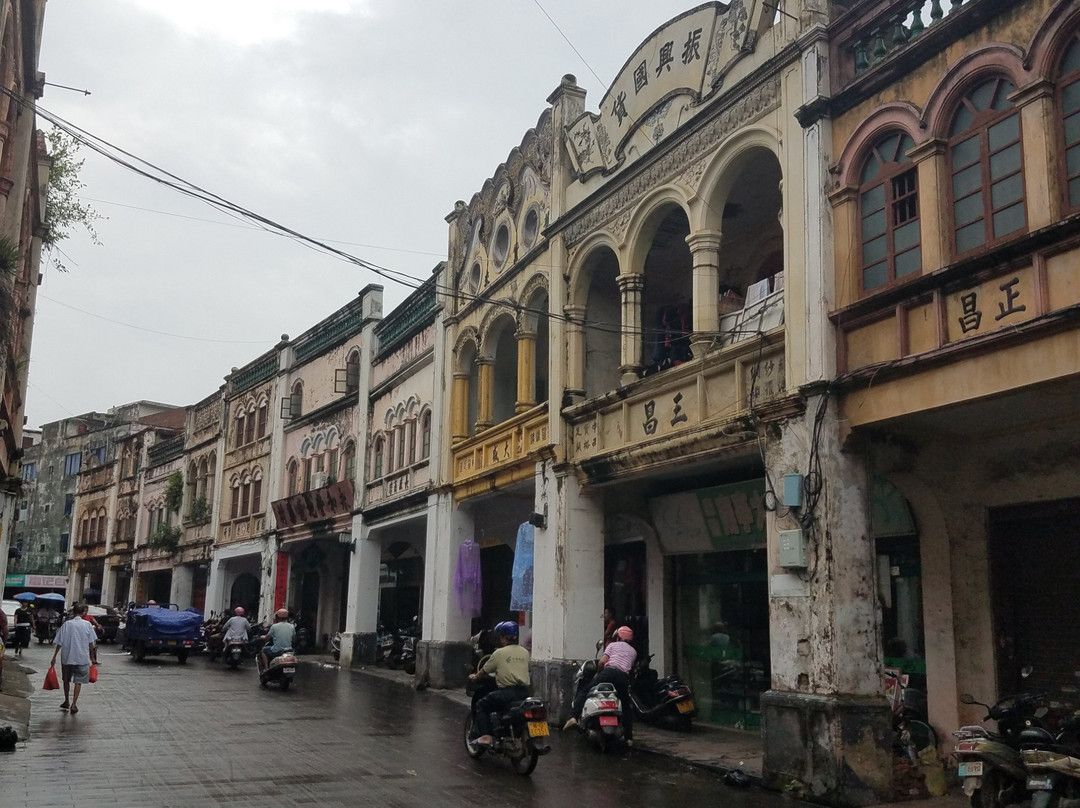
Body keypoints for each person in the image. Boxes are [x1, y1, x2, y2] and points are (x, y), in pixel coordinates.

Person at [564, 625, 637, 742]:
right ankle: (629, 738)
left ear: (618, 636)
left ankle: (573, 717)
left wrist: (598, 674)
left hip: (609, 672)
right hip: (623, 677)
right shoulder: (633, 651)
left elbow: (602, 662)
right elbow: (630, 668)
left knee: (586, 691)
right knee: (626, 704)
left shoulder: (612, 645)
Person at [467, 620, 531, 747]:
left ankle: (485, 736)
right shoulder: (525, 652)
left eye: (500, 636)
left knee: (481, 705)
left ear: (503, 637)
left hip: (507, 693)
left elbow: (484, 671)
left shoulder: (499, 653)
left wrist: (475, 677)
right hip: (524, 692)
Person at [50, 603, 99, 714]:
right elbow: (92, 644)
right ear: (83, 613)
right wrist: (93, 659)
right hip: (82, 658)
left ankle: (66, 700)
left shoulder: (67, 625)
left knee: (66, 680)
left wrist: (54, 657)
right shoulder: (87, 625)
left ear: (73, 612)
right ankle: (74, 704)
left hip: (67, 657)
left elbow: (59, 642)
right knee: (78, 681)